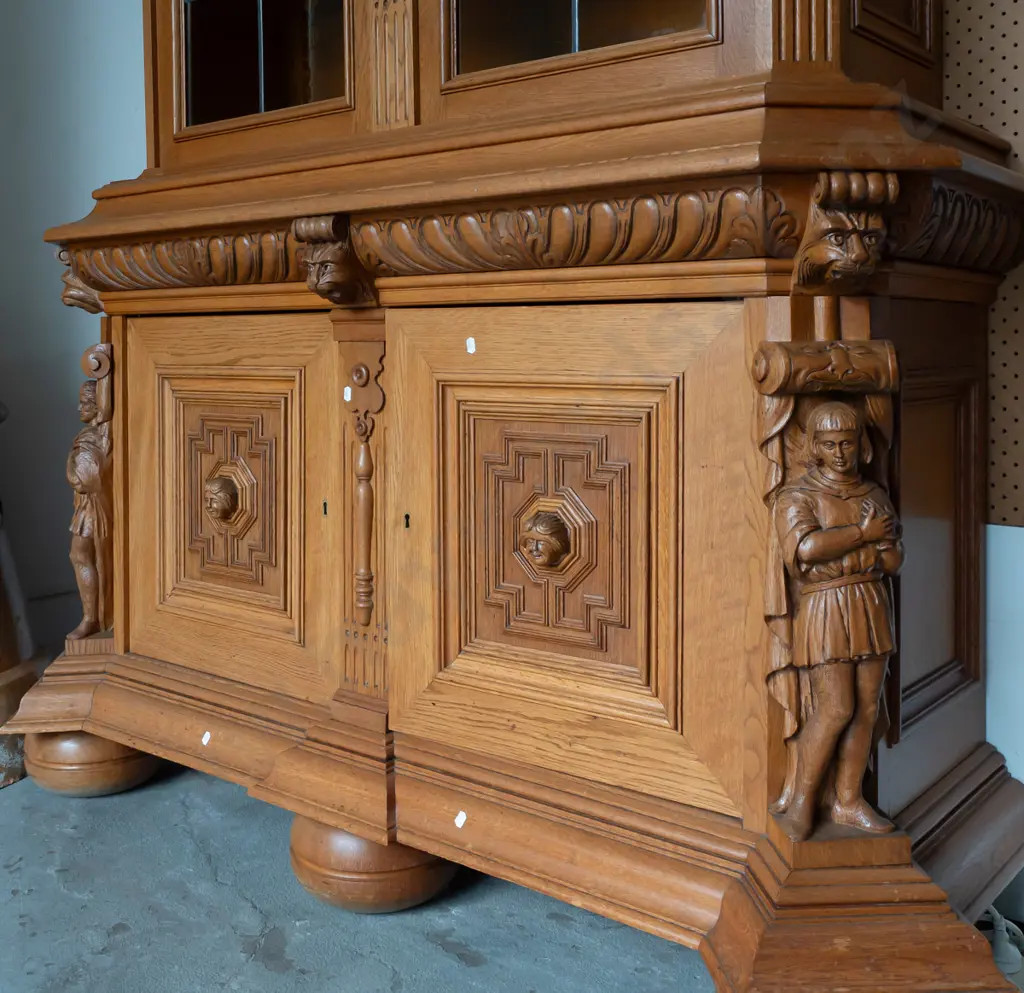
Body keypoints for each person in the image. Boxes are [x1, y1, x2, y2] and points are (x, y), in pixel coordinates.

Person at [771, 400, 903, 840]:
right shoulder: (798, 496)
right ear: (815, 446)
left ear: (860, 443)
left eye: (847, 443)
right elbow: (805, 549)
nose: (840, 453)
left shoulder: (873, 495)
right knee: (835, 707)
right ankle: (803, 801)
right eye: (829, 444)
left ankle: (848, 800)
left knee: (867, 706)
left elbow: (893, 559)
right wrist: (864, 536)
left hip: (869, 601)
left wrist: (873, 548)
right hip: (826, 606)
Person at [66, 380, 112, 640]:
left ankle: (91, 619)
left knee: (81, 555)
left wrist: (71, 468)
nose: (79, 408)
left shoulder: (92, 438)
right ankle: (91, 618)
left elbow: (83, 479)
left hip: (92, 509)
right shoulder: (95, 435)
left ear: (97, 407)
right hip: (87, 506)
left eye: (85, 403)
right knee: (82, 556)